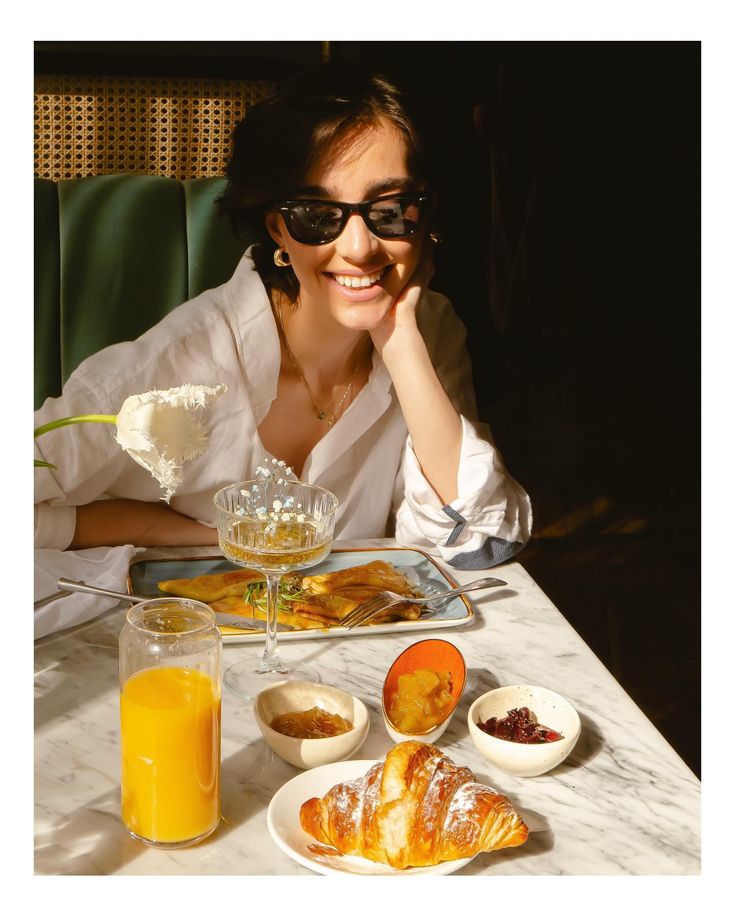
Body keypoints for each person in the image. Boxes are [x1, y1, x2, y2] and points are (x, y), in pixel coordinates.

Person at [34, 65, 531, 569]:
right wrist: (186, 533)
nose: (359, 248)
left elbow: (479, 540)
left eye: (390, 210)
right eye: (317, 216)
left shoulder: (429, 332)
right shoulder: (179, 366)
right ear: (277, 227)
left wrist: (400, 343)